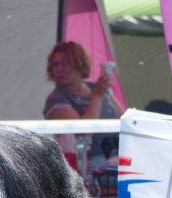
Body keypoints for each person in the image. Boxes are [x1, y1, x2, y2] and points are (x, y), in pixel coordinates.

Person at [43, 41, 126, 174]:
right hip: (93, 165)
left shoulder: (96, 87)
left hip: (122, 153)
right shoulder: (56, 100)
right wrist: (98, 95)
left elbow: (125, 118)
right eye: (55, 65)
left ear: (79, 63)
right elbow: (84, 133)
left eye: (64, 63)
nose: (58, 69)